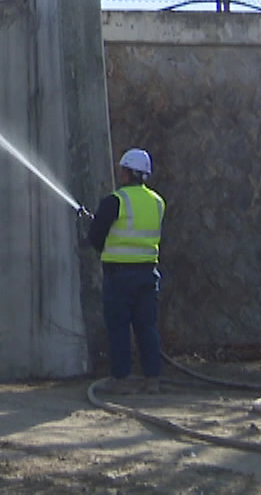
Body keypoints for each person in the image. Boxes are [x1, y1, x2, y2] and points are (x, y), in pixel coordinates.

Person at [84, 147, 165, 393]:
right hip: (148, 274)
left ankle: (120, 379)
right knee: (147, 327)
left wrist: (101, 236)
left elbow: (96, 237)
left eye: (123, 170)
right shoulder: (157, 202)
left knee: (119, 327)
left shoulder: (115, 201)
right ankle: (153, 379)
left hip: (119, 275)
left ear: (128, 173)